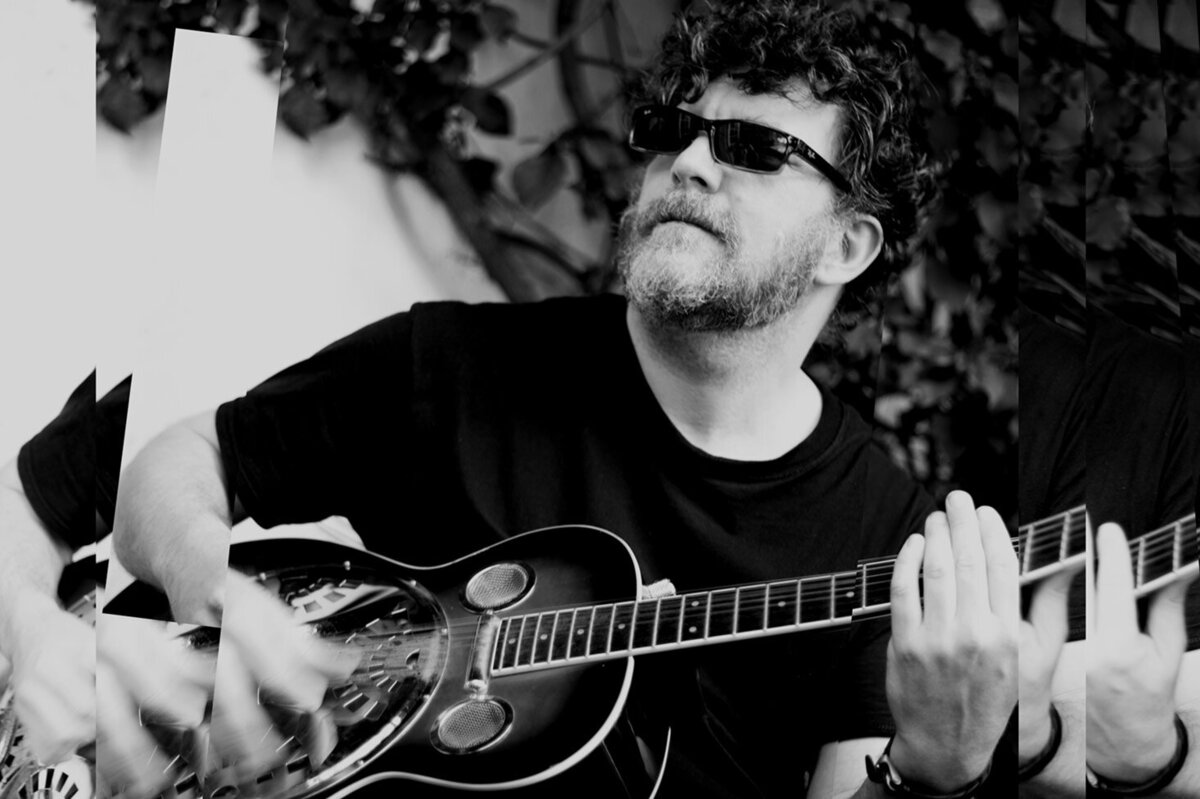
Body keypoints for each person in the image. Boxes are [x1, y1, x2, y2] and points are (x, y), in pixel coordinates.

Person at [112, 3, 1018, 797]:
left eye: (754, 149)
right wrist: (220, 596)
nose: (690, 163)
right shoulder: (453, 365)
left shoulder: (891, 544)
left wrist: (931, 769)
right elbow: (174, 468)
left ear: (847, 246)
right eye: (675, 130)